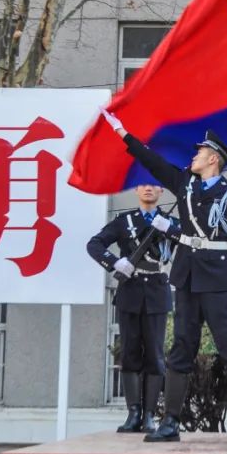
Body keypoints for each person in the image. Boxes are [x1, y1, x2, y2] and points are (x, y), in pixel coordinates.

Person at [100, 110, 227, 445]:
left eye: (199, 152)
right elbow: (152, 160)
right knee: (180, 349)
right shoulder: (185, 184)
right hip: (187, 276)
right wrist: (122, 133)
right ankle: (170, 422)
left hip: (220, 278)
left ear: (213, 158)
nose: (193, 156)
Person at [86, 184, 175, 434]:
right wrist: (115, 262)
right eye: (143, 185)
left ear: (161, 191)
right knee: (129, 353)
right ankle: (133, 413)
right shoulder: (124, 222)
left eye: (153, 185)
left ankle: (149, 415)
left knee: (156, 357)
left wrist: (172, 230)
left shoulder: (169, 222)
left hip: (157, 292)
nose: (148, 189)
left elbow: (191, 245)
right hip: (130, 292)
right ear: (137, 191)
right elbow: (94, 245)